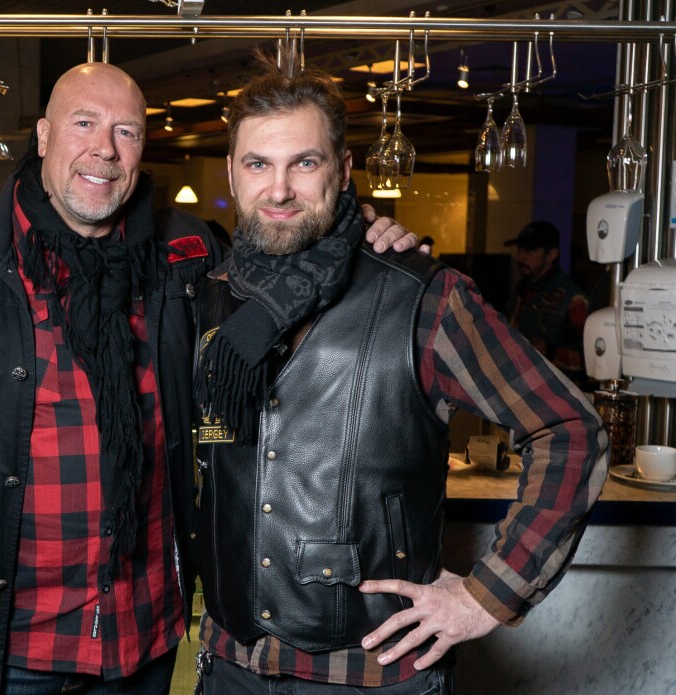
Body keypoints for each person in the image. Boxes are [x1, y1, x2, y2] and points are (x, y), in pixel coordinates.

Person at [0, 62, 419, 694]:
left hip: (141, 634)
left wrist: (354, 233)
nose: (104, 149)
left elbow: (289, 274)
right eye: (84, 124)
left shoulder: (190, 251)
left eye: (126, 132)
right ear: (44, 137)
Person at [190, 61, 608, 694]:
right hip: (231, 667)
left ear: (342, 169)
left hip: (372, 675)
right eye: (257, 164)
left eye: (304, 163)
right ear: (231, 173)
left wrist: (488, 596)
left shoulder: (423, 297)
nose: (278, 189)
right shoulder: (206, 295)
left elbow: (570, 427)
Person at [504, 220, 590, 385]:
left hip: (556, 391)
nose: (520, 257)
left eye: (530, 251)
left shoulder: (574, 299)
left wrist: (551, 352)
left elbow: (596, 358)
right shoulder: (521, 290)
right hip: (521, 385)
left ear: (551, 255)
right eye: (520, 250)